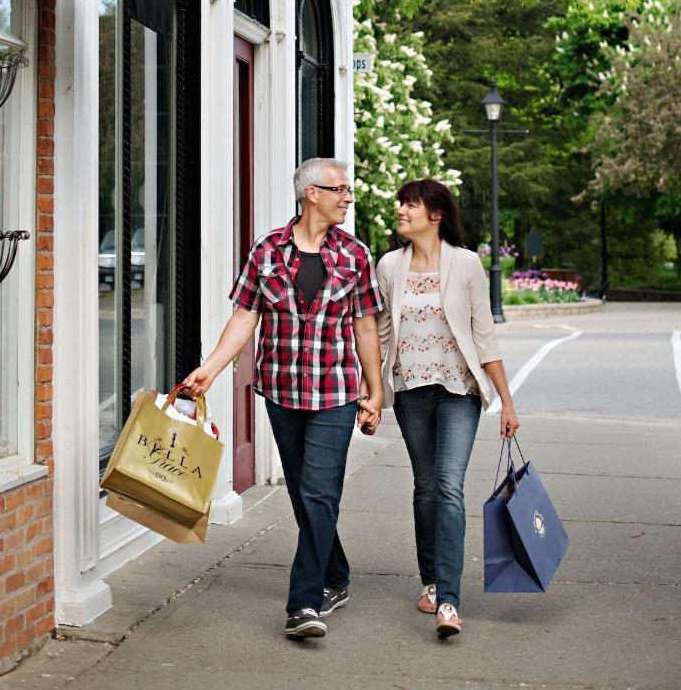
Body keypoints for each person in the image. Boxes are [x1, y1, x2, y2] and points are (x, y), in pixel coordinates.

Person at [180, 157, 384, 640]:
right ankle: (335, 574)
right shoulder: (267, 250)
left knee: (319, 490)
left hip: (335, 391)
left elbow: (365, 325)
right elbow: (245, 317)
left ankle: (304, 603)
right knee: (303, 491)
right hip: (282, 391)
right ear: (311, 193)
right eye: (340, 189)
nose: (347, 197)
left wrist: (374, 392)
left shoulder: (355, 255)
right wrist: (209, 370)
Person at [373, 178, 519, 640]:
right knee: (425, 488)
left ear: (435, 215)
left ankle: (449, 601)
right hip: (411, 388)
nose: (401, 210)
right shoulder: (389, 266)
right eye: (400, 203)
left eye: (410, 205)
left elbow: (484, 337)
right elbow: (379, 335)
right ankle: (432, 581)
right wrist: (373, 392)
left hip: (458, 389)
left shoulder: (466, 263)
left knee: (448, 485)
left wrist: (507, 401)